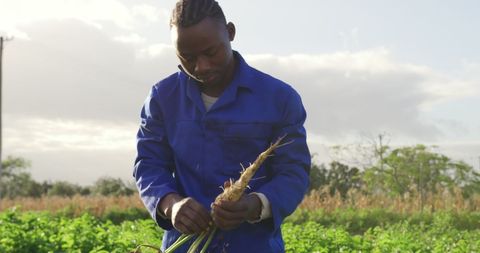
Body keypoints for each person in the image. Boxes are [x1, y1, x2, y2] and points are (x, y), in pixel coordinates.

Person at [133, 0, 310, 252]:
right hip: (184, 245)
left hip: (254, 246)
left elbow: (293, 173)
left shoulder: (279, 98)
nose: (201, 66)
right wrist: (171, 205)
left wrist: (254, 204)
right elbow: (148, 165)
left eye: (211, 52)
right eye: (187, 57)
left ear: (230, 33)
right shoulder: (162, 97)